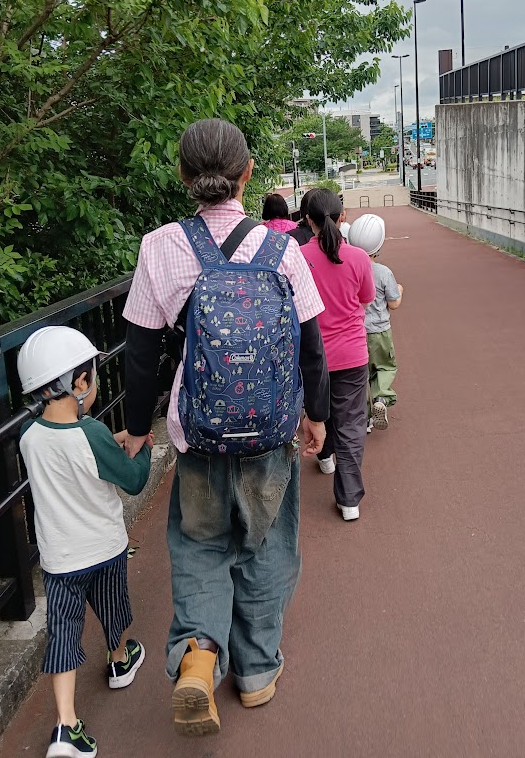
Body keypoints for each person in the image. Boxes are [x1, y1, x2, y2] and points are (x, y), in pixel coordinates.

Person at [119, 118, 329, 736]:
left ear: (184, 175)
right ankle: (257, 672)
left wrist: (137, 429)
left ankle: (198, 656)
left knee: (200, 545)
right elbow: (311, 347)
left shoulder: (159, 247)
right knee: (267, 546)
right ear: (247, 174)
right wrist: (316, 416)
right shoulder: (283, 250)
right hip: (270, 435)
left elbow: (140, 353)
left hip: (199, 437)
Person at [17, 326, 151, 758]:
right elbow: (131, 479)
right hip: (103, 549)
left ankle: (65, 726)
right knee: (112, 607)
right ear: (80, 383)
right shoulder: (91, 432)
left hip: (60, 558)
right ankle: (119, 660)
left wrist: (109, 442)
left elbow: (70, 456)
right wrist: (142, 447)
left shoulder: (29, 438)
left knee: (63, 632)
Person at [301, 189, 376, 521]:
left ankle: (325, 458)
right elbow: (366, 298)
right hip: (352, 354)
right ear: (342, 216)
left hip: (312, 355)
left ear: (308, 220)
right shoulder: (359, 257)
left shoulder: (298, 257)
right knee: (351, 423)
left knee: (321, 409)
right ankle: (349, 500)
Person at [348, 214, 403, 431]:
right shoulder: (383, 272)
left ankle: (365, 417)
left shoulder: (349, 269)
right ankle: (381, 398)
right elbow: (394, 303)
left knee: (360, 375)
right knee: (384, 367)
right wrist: (400, 290)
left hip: (356, 332)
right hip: (380, 331)